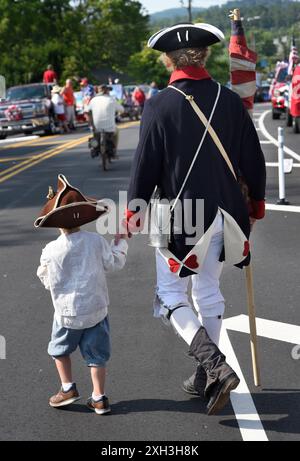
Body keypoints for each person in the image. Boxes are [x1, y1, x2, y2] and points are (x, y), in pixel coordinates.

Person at [123, 23, 266, 415]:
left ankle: (215, 366)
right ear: (204, 56)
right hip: (223, 213)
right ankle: (206, 375)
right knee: (207, 293)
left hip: (179, 217)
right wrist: (256, 202)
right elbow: (252, 159)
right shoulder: (229, 99)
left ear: (169, 59)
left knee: (171, 296)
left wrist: (135, 209)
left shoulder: (158, 104)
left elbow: (146, 165)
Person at [35, 174, 128, 414]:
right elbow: (114, 263)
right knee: (97, 357)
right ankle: (99, 398)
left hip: (66, 314)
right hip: (96, 310)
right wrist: (121, 243)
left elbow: (46, 280)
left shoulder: (50, 250)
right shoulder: (95, 241)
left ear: (56, 222)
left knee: (60, 351)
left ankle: (67, 388)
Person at [88, 84, 124, 155]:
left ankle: (94, 147)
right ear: (106, 91)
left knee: (94, 134)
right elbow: (122, 110)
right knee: (117, 131)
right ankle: (115, 150)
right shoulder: (111, 99)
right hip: (110, 128)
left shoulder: (93, 100)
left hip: (96, 128)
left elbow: (87, 110)